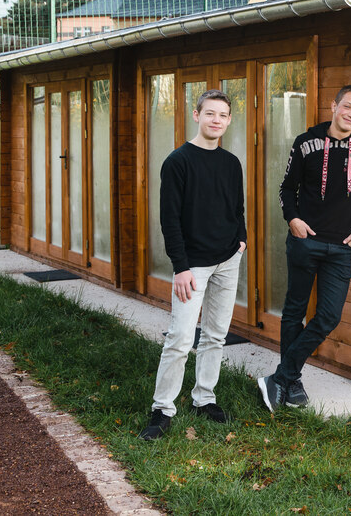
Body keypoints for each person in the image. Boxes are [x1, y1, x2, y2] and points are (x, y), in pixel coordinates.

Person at [140, 89, 247, 440]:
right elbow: (169, 220)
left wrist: (241, 240)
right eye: (210, 113)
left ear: (229, 121)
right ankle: (162, 409)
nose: (216, 120)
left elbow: (236, 209)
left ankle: (204, 397)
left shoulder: (231, 163)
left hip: (228, 259)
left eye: (223, 115)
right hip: (193, 266)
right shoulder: (178, 161)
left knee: (215, 335)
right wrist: (181, 266)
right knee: (181, 337)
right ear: (196, 114)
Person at [257, 85, 351, 410]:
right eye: (347, 107)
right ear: (334, 106)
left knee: (328, 317)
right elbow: (286, 189)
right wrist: (292, 219)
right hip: (306, 241)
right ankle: (291, 383)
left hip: (342, 246)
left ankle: (280, 376)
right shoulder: (306, 143)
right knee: (294, 310)